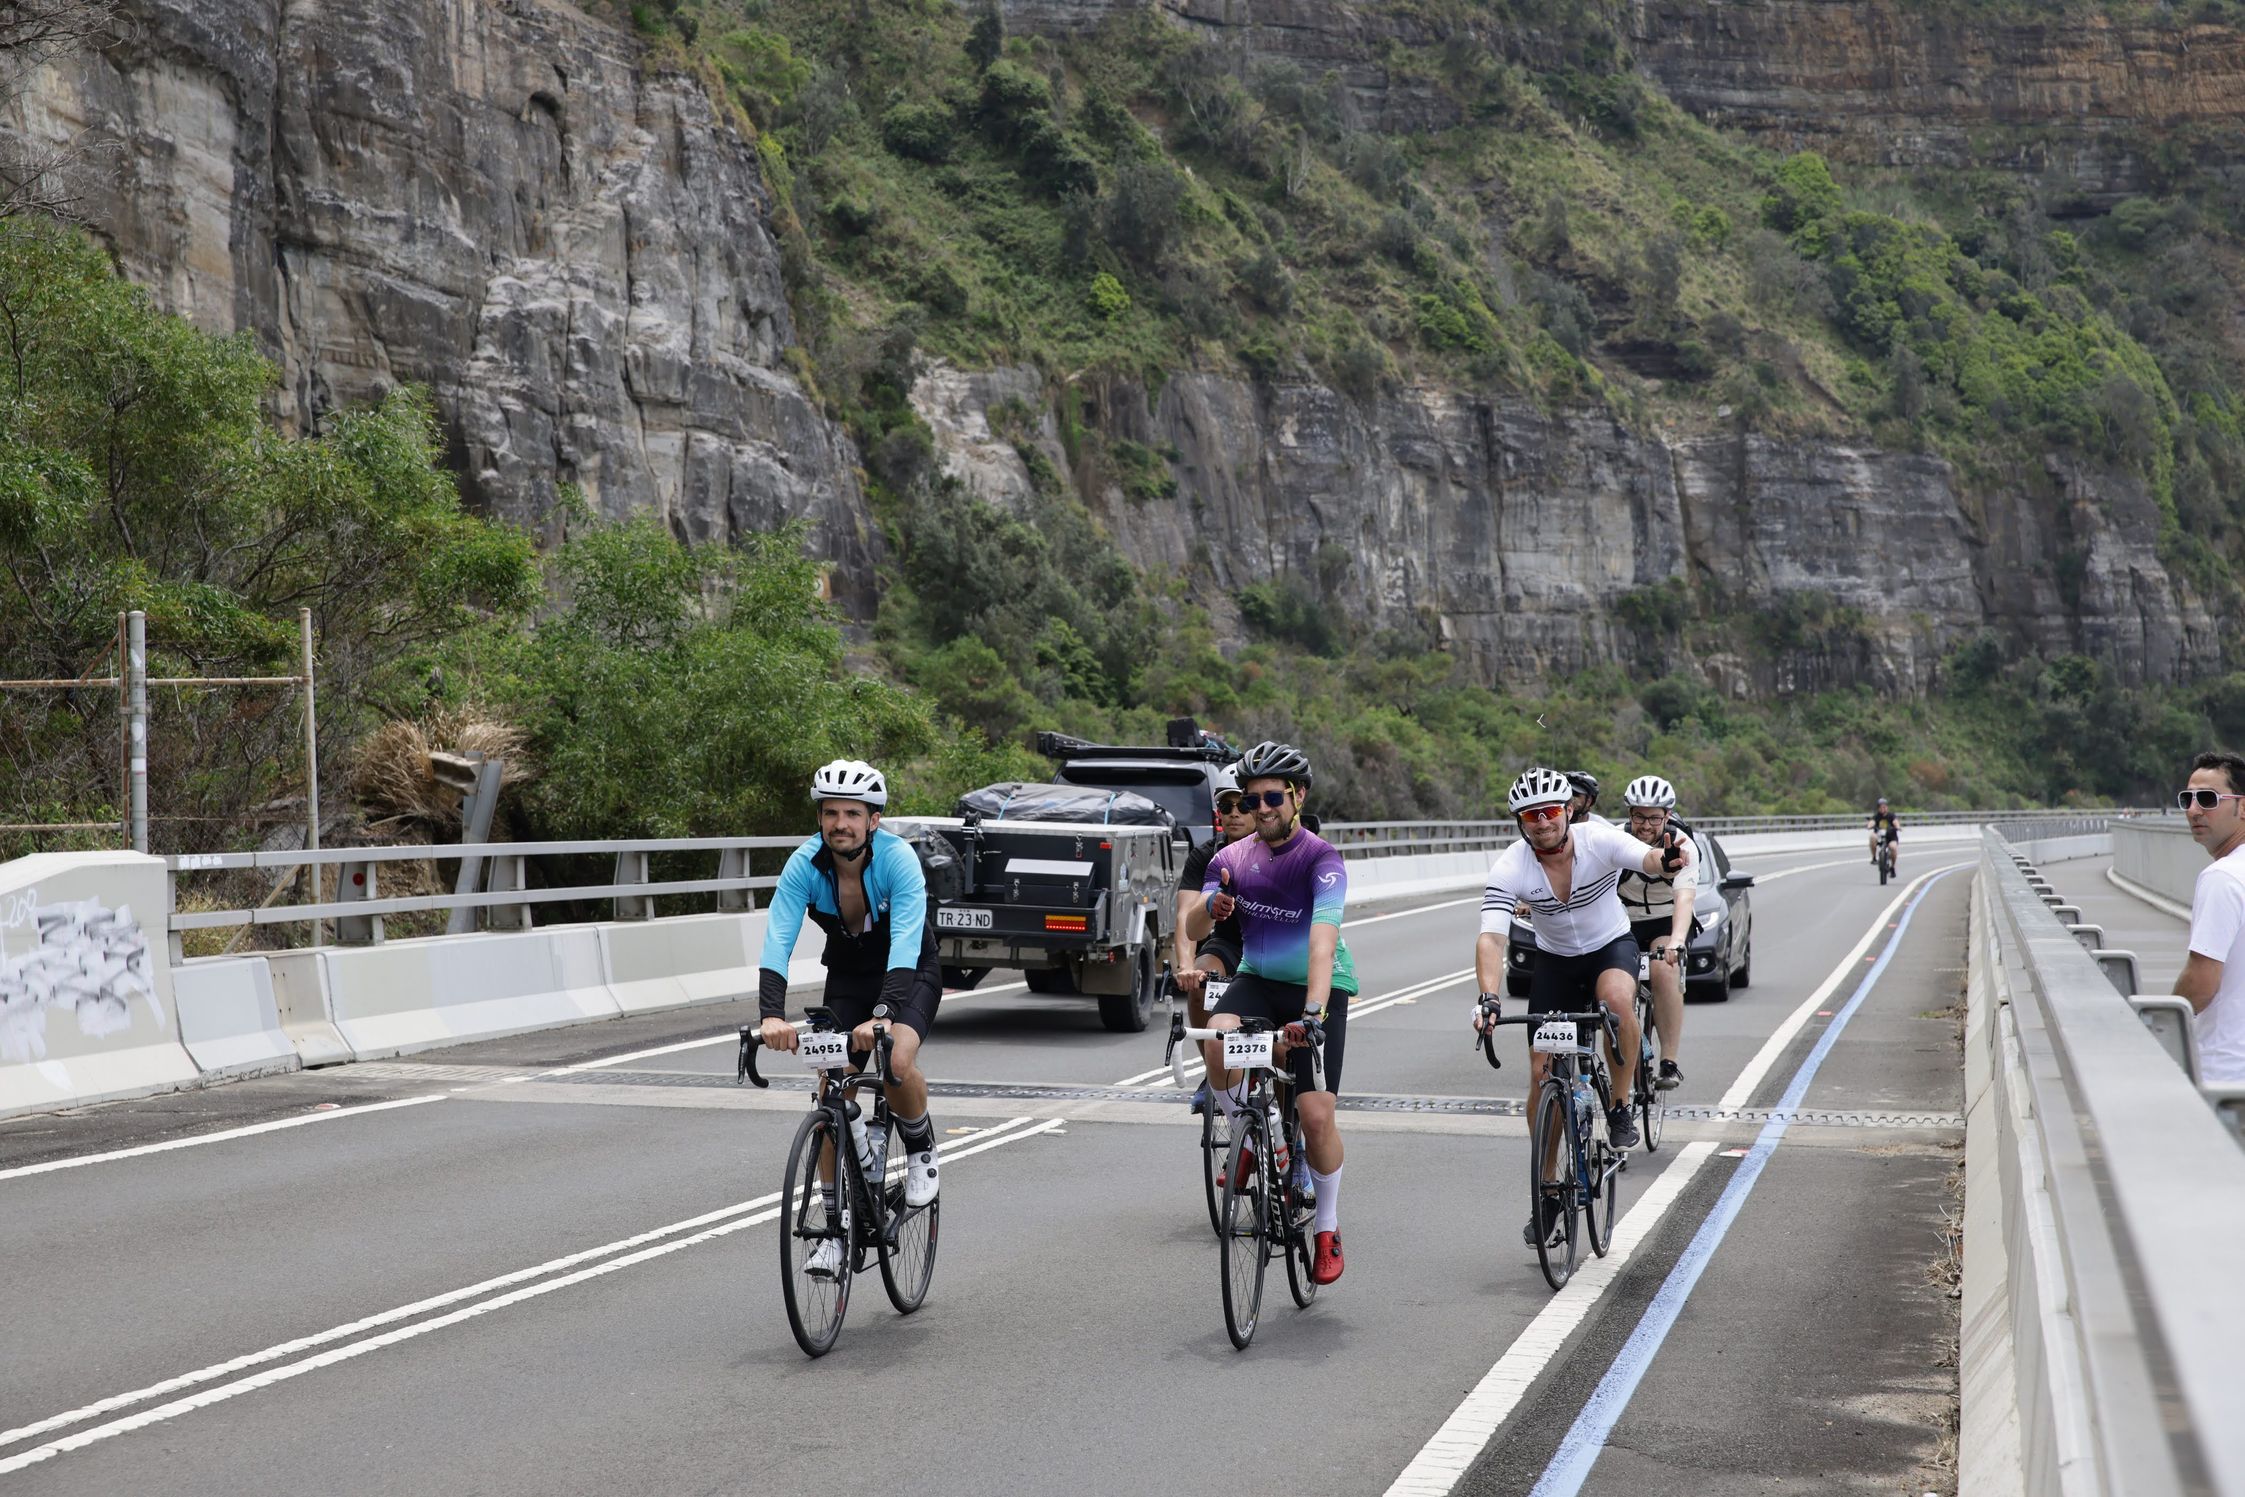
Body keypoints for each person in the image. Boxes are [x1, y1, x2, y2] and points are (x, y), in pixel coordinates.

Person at [1472, 766, 1694, 1248]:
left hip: (1609, 946)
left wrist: (1666, 859)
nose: (1542, 822)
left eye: (1550, 811)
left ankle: (1618, 1106)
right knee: (1539, 1073)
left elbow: (1648, 858)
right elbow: (1491, 936)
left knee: (1616, 1001)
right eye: (1530, 816)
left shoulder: (1599, 840)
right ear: (1519, 822)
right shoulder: (1511, 865)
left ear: (1568, 810)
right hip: (1555, 962)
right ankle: (1548, 1187)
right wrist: (1488, 995)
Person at [756, 760, 943, 1277]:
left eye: (852, 814)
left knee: (896, 1062)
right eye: (831, 813)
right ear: (820, 818)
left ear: (873, 821)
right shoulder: (803, 865)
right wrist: (772, 1015)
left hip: (910, 970)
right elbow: (778, 938)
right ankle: (836, 1227)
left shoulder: (899, 860)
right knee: (832, 1088)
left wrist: (883, 1016)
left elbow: (905, 941)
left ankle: (922, 1146)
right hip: (848, 974)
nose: (840, 823)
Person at [1184, 740, 1356, 1286]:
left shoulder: (1321, 859)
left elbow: (1322, 943)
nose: (1262, 809)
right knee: (1216, 1036)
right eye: (1252, 799)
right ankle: (1248, 1135)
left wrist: (1312, 1014)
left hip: (1316, 986)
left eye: (1273, 797)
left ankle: (1326, 1227)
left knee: (1315, 1115)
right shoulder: (1230, 859)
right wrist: (1209, 908)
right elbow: (1193, 928)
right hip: (1257, 979)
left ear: (1298, 796)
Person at [1175, 763, 1255, 1114]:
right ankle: (1214, 1072)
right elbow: (1185, 917)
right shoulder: (1206, 855)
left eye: (1243, 805)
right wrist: (1184, 967)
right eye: (1227, 807)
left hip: (1270, 945)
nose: (1235, 814)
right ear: (1217, 813)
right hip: (1228, 944)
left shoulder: (1277, 850)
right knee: (1200, 980)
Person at [1615, 774, 1695, 1090]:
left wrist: (1676, 942)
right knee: (1617, 982)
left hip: (1667, 920)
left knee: (1664, 970)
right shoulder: (1616, 840)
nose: (1645, 825)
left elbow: (1685, 898)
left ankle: (1669, 1063)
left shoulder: (1683, 846)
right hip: (1624, 921)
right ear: (1629, 815)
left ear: (1667, 817)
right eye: (1638, 816)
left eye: (1654, 818)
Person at [2173, 750, 2245, 1084]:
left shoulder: (2222, 878)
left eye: (2208, 798)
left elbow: (2201, 983)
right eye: (2187, 798)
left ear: (2242, 806)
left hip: (2224, 1074)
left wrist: (2161, 1020)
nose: (2193, 810)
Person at [1868, 796, 1900, 877]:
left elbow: (1895, 822)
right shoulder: (1876, 816)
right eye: (1880, 806)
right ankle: (1874, 858)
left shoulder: (1891, 815)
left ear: (1887, 807)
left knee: (1893, 847)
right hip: (1880, 836)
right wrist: (1869, 826)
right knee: (1872, 837)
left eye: (1884, 806)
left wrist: (1897, 827)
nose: (1882, 808)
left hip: (1891, 837)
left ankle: (1892, 867)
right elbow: (1872, 821)